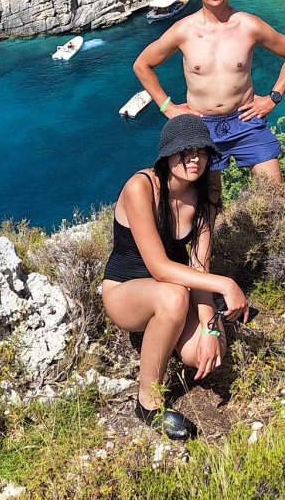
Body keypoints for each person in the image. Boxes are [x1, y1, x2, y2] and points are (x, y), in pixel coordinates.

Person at [100, 114, 250, 441]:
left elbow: (199, 266)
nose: (195, 158)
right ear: (168, 154)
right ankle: (147, 403)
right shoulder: (142, 187)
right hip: (126, 291)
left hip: (176, 289)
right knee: (174, 296)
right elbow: (158, 267)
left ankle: (174, 329)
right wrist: (226, 284)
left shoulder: (206, 192)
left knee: (206, 353)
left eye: (202, 151)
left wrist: (210, 327)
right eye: (186, 151)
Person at [134, 0, 285, 190]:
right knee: (209, 200)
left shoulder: (248, 25)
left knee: (274, 192)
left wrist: (273, 97)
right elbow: (142, 65)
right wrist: (167, 107)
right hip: (202, 126)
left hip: (246, 120)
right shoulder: (183, 30)